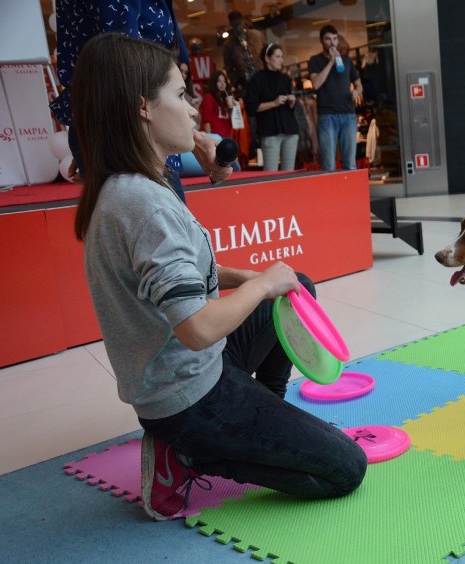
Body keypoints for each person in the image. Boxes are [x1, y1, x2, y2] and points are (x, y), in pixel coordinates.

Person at [70, 33, 367, 521]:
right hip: (187, 393)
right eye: (181, 94)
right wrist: (261, 284)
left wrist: (256, 279)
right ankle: (191, 453)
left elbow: (184, 276)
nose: (192, 110)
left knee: (295, 288)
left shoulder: (134, 182)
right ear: (142, 107)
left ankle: (260, 419)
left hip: (190, 368)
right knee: (345, 469)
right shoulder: (143, 204)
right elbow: (198, 327)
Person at [50, 0, 231, 199]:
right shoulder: (132, 75)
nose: (193, 111)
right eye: (181, 96)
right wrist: (195, 140)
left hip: (129, 131)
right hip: (129, 136)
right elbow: (128, 71)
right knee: (154, 219)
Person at [309, 25, 364, 171]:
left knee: (350, 162)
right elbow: (316, 84)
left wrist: (356, 92)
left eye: (334, 38)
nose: (332, 42)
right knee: (328, 164)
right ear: (322, 41)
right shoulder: (315, 61)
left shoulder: (346, 61)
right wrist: (331, 62)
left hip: (348, 114)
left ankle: (349, 193)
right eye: (328, 39)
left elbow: (359, 85)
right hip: (327, 115)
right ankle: (331, 193)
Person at [246, 44, 300, 171]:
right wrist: (273, 103)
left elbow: (291, 108)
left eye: (282, 56)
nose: (281, 60)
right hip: (269, 131)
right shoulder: (257, 79)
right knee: (271, 173)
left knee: (289, 173)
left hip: (289, 129)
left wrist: (292, 102)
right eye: (277, 56)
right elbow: (251, 108)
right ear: (267, 58)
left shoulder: (285, 78)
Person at [222, 10, 264, 99]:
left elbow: (267, 55)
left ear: (243, 21)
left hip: (263, 79)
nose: (237, 28)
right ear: (231, 25)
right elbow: (229, 69)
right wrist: (237, 84)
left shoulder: (257, 35)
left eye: (238, 24)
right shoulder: (228, 45)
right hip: (246, 84)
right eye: (234, 25)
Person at [200, 71, 235, 138]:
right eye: (219, 81)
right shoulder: (209, 97)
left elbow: (232, 121)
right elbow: (206, 121)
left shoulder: (226, 99)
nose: (222, 83)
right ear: (214, 82)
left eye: (224, 81)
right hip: (215, 136)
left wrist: (232, 108)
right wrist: (209, 138)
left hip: (227, 135)